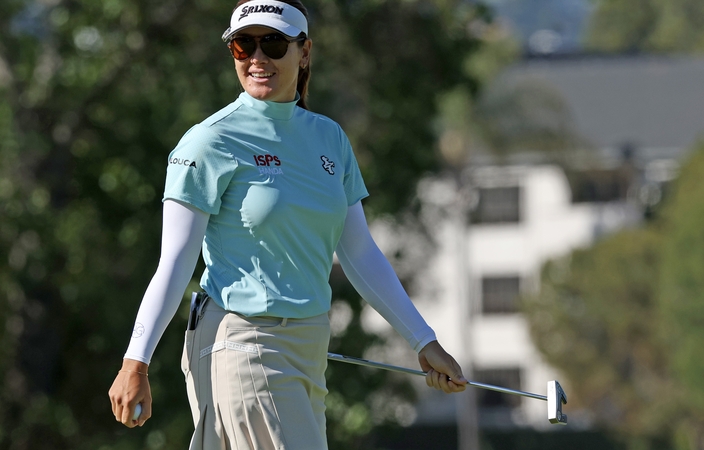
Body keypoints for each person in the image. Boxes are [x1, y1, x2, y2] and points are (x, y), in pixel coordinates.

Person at [108, 0, 467, 448]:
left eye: (273, 43)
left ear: (304, 51)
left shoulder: (329, 138)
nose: (258, 58)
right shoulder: (209, 140)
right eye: (244, 45)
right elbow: (175, 263)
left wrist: (423, 340)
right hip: (244, 342)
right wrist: (135, 362)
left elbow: (359, 252)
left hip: (309, 347)